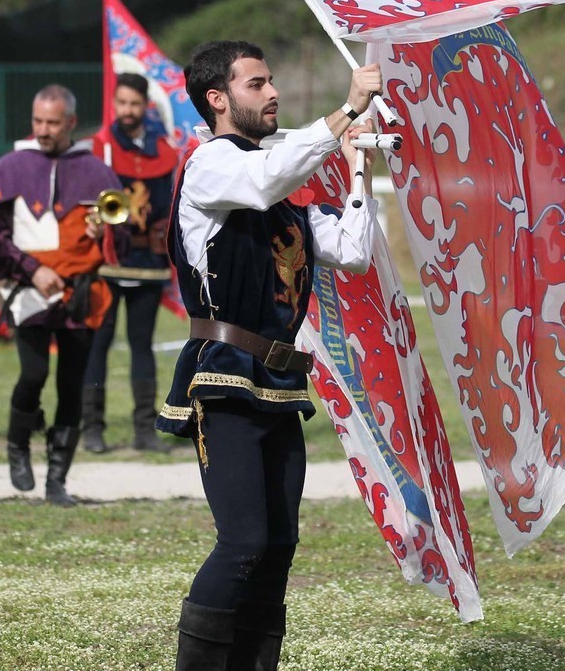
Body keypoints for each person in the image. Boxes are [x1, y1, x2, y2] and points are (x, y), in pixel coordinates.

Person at [157, 40, 380, 669]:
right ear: (218, 99)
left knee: (279, 543)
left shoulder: (281, 193)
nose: (273, 91)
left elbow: (354, 251)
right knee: (244, 542)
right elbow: (257, 183)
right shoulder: (210, 166)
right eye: (257, 84)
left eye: (272, 79)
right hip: (224, 375)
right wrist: (344, 112)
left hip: (280, 382)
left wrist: (359, 165)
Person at [0, 85, 120, 507]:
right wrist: (31, 270)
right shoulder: (11, 166)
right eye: (38, 121)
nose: (43, 130)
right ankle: (18, 445)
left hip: (80, 293)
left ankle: (57, 480)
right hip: (29, 291)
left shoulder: (96, 172)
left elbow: (123, 242)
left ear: (71, 123)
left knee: (71, 386)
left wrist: (107, 233)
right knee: (34, 373)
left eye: (52, 123)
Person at [84, 73, 179, 453]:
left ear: (145, 106)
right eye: (121, 103)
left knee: (142, 345)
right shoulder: (100, 147)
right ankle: (92, 427)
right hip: (108, 261)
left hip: (148, 261)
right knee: (98, 343)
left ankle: (144, 429)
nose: (127, 110)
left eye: (134, 104)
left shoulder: (164, 150)